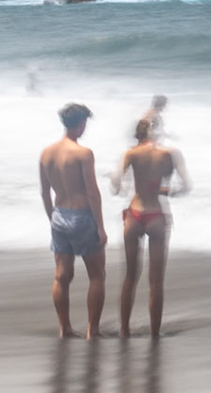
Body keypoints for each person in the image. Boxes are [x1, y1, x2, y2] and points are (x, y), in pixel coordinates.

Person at [111, 118, 192, 339]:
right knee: (156, 280)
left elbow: (115, 186)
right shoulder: (171, 154)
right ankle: (156, 333)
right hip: (157, 215)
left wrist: (119, 185)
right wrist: (166, 190)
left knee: (129, 276)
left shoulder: (131, 154)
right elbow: (186, 186)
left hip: (135, 214)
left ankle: (124, 330)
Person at [41, 104, 108, 339]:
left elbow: (44, 192)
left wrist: (53, 219)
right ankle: (93, 330)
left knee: (61, 276)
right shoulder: (83, 153)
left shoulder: (46, 153)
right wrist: (100, 226)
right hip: (82, 217)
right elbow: (92, 192)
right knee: (97, 275)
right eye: (85, 124)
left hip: (59, 215)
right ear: (80, 124)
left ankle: (64, 328)